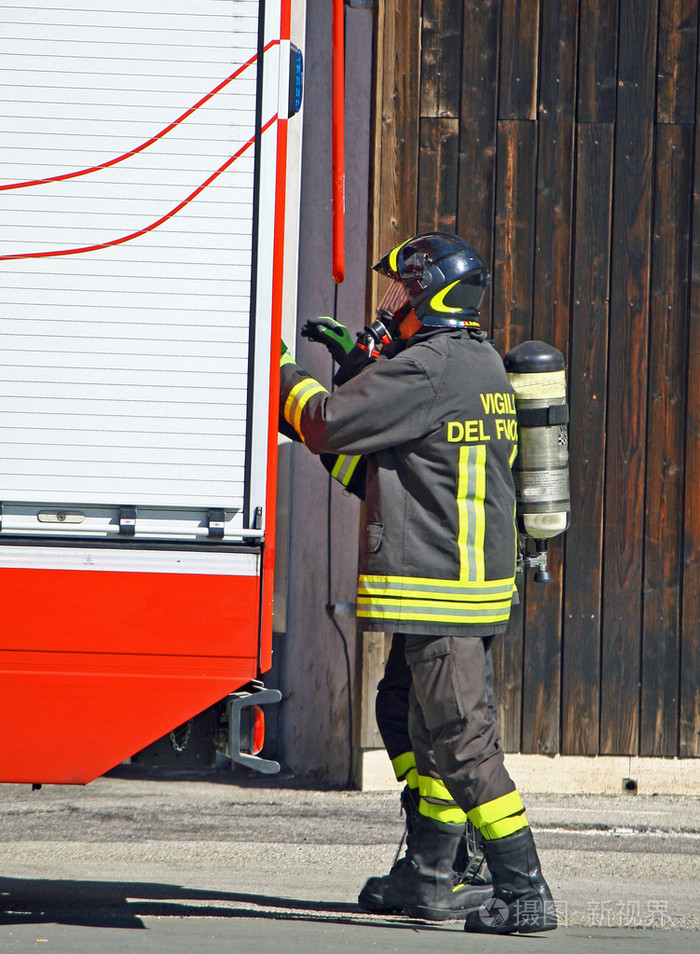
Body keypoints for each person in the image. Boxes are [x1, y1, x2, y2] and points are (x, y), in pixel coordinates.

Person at [279, 232, 557, 934]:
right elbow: (386, 477)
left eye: (400, 289)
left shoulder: (426, 370)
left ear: (429, 294)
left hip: (444, 591)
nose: (388, 303)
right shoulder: (473, 363)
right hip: (458, 583)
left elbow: (325, 424)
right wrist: (361, 370)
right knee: (404, 709)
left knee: (462, 743)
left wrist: (281, 375)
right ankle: (430, 875)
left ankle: (524, 888)